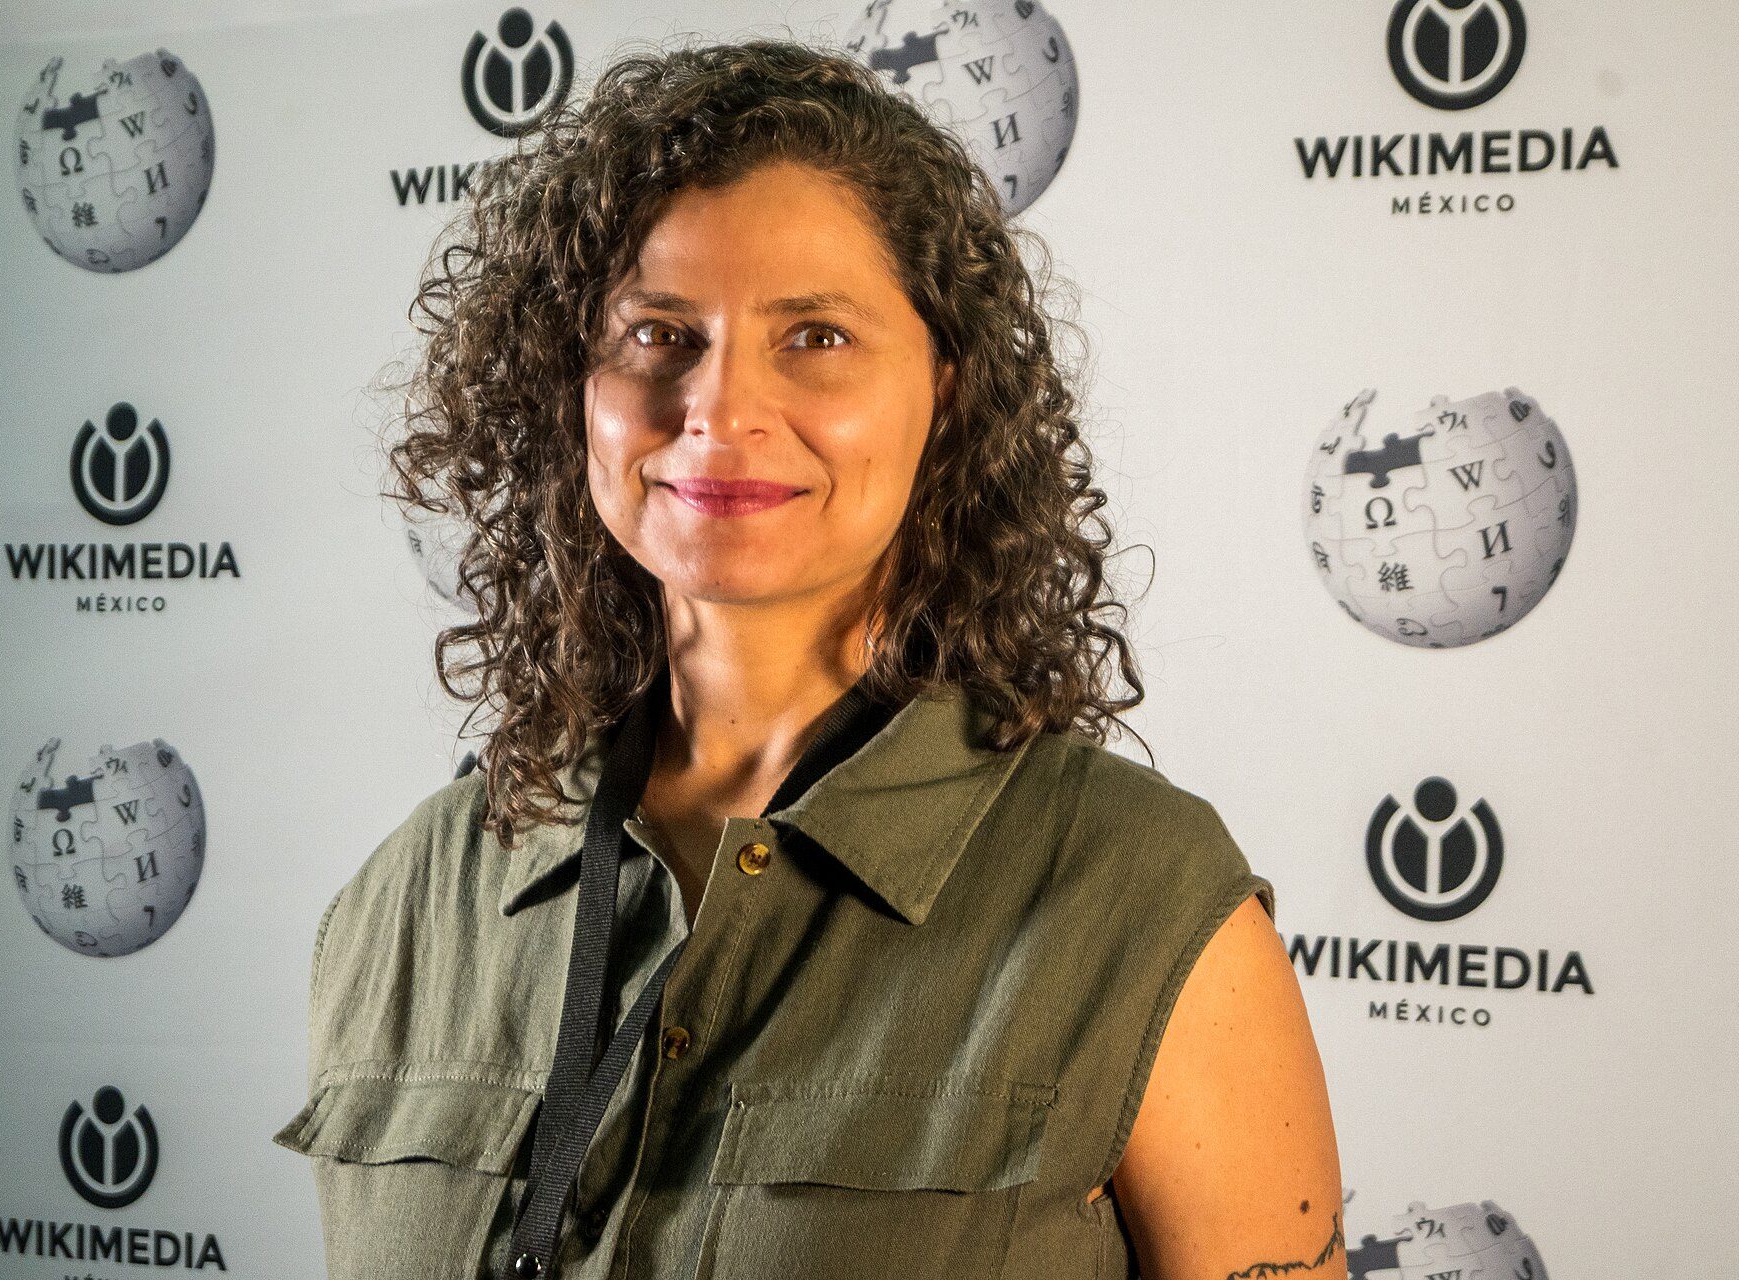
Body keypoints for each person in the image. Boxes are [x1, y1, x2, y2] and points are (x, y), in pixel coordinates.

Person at [274, 38, 1345, 1280]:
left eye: (818, 336)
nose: (719, 408)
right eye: (658, 332)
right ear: (568, 387)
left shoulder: (1145, 898)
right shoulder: (405, 897)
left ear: (947, 391)